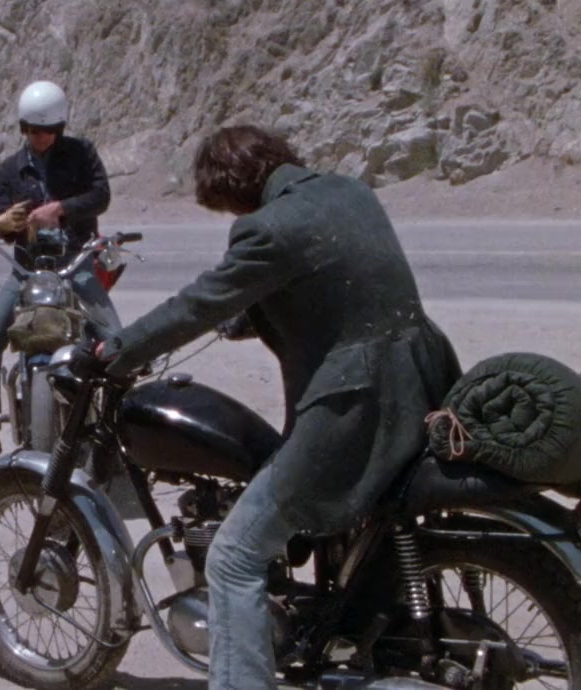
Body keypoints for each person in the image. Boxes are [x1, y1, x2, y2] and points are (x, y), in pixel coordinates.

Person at [97, 126, 461, 688]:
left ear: (232, 189)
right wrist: (252, 315)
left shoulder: (266, 228)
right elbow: (335, 280)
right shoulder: (348, 192)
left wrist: (116, 351)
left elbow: (195, 305)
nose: (232, 215)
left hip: (356, 406)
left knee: (233, 556)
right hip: (422, 382)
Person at [0, 80, 121, 478]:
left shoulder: (82, 154)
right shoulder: (9, 169)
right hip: (27, 269)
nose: (40, 137)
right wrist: (2, 223)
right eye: (32, 130)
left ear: (60, 128)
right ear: (23, 128)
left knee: (117, 341)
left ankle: (114, 439)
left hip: (75, 263)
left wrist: (60, 209)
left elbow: (100, 196)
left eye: (47, 130)